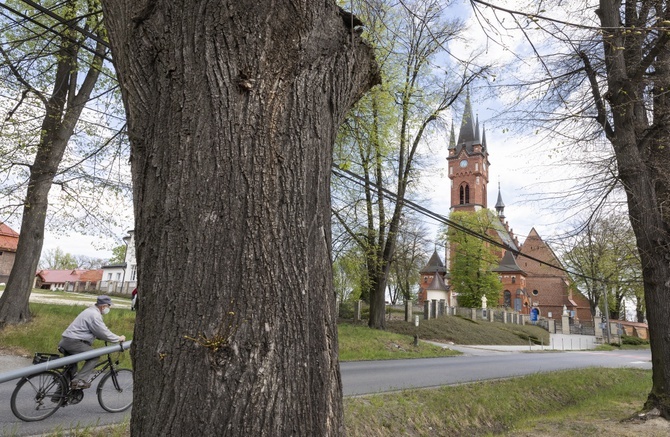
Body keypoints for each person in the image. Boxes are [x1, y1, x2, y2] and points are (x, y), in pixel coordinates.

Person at [58, 295, 126, 389]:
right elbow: (102, 332)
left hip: (67, 341)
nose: (109, 308)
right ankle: (79, 381)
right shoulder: (94, 315)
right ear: (103, 306)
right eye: (109, 306)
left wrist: (102, 337)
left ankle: (58, 397)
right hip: (73, 342)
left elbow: (95, 332)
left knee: (71, 369)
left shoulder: (90, 311)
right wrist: (118, 338)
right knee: (94, 356)